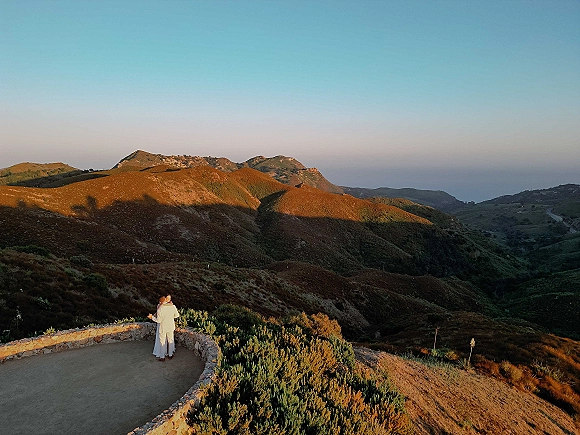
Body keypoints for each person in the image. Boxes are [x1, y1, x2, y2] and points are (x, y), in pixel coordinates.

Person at [148, 295, 179, 361]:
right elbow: (177, 315)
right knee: (170, 340)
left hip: (163, 327)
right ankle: (170, 355)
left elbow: (158, 320)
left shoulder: (160, 309)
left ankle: (162, 357)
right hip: (170, 326)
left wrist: (151, 317)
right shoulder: (173, 306)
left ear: (160, 302)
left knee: (162, 341)